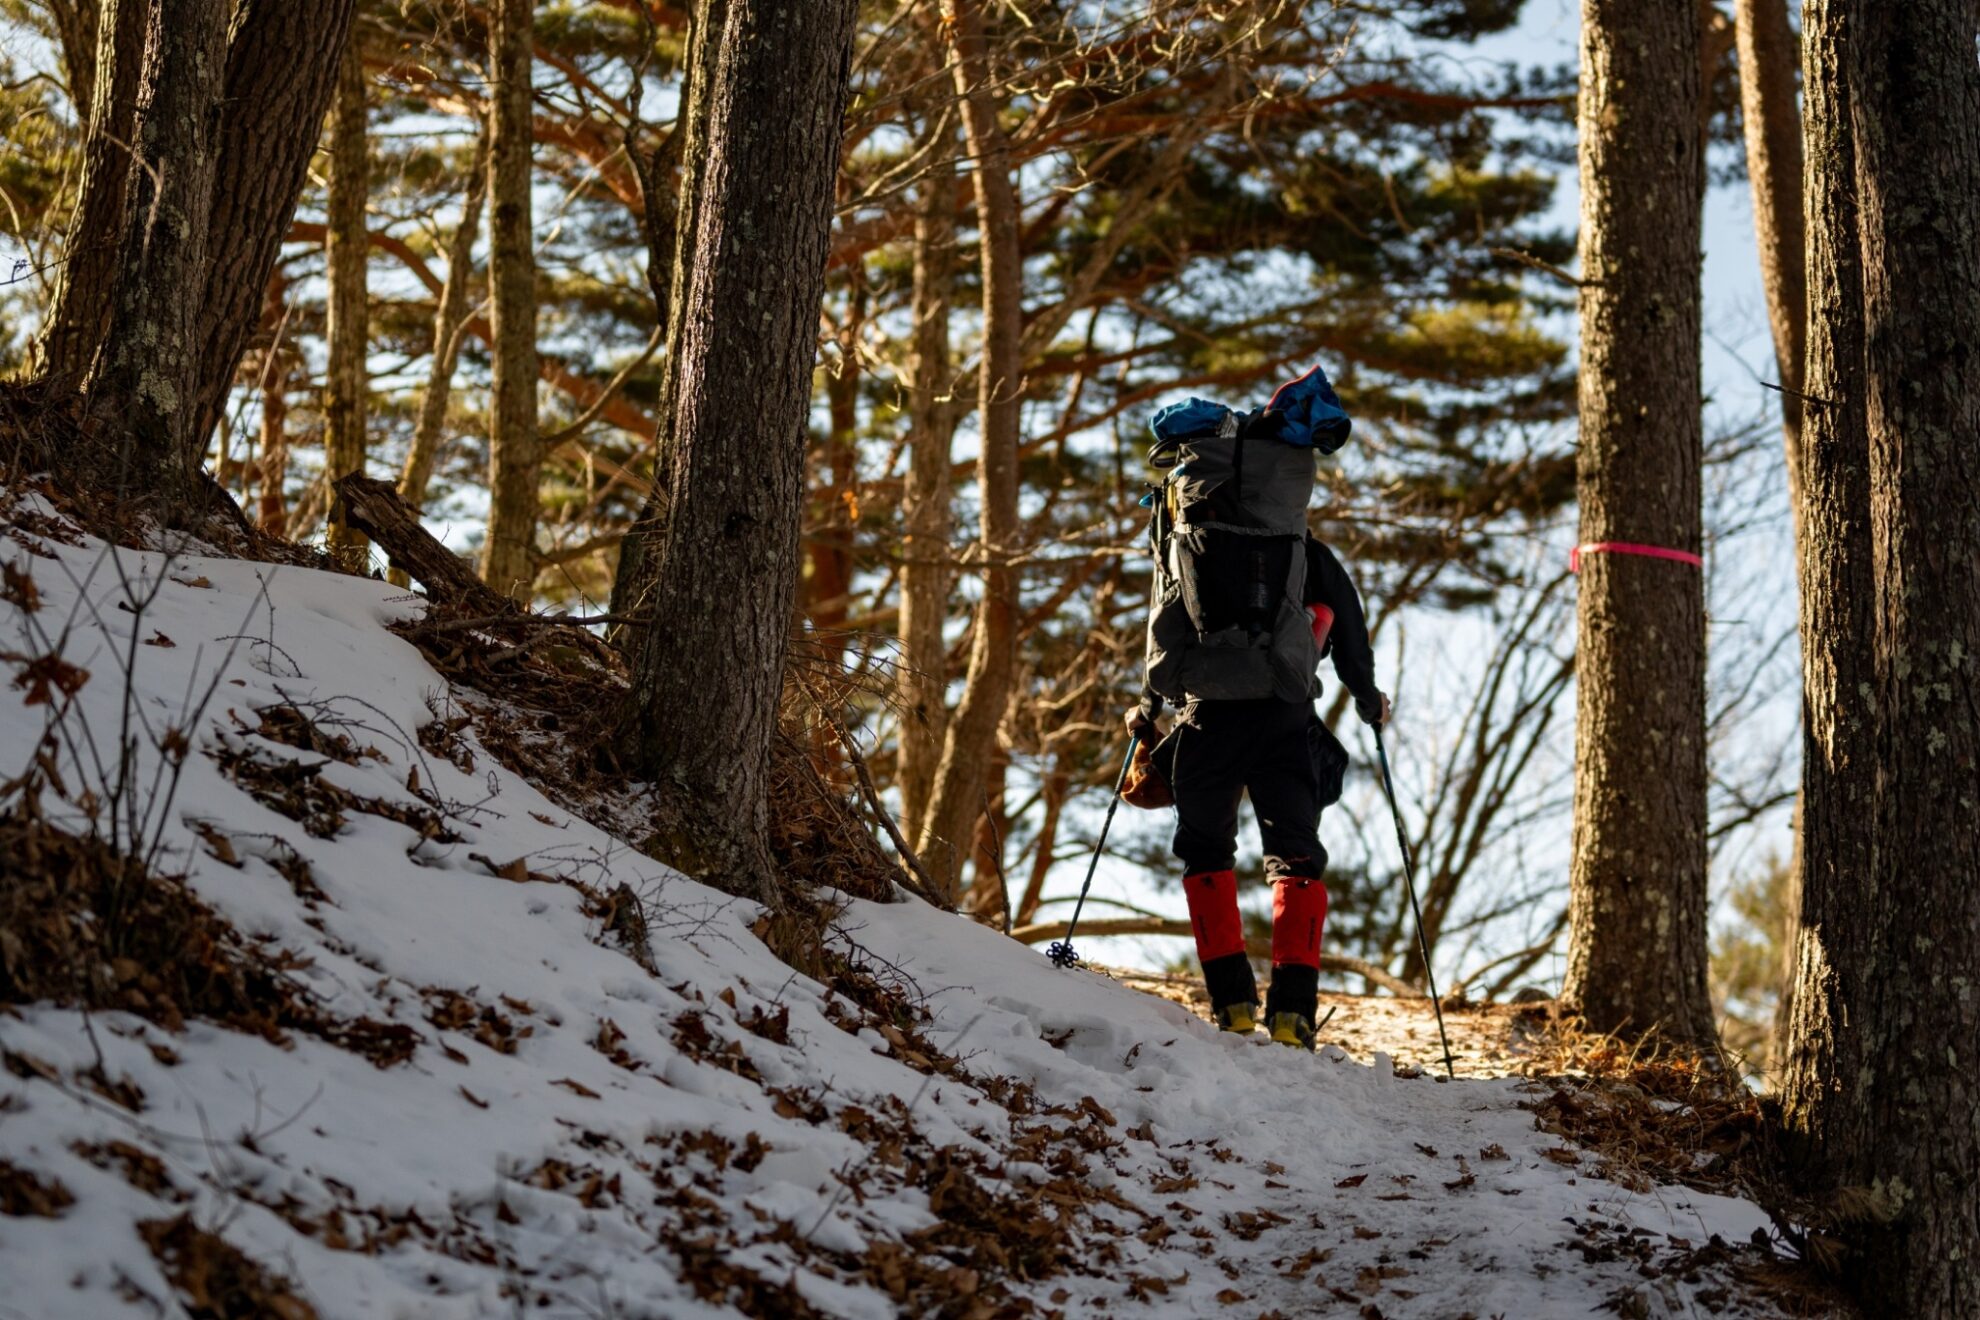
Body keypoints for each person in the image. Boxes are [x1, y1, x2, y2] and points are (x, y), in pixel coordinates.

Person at [1131, 530, 1389, 1052]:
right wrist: (1368, 700)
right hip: (1284, 718)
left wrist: (1146, 707)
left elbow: (1163, 628)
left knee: (1204, 851)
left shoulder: (1189, 544)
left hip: (1206, 719)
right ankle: (1294, 1015)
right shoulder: (1307, 552)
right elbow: (1351, 637)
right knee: (1295, 856)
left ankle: (1233, 1008)